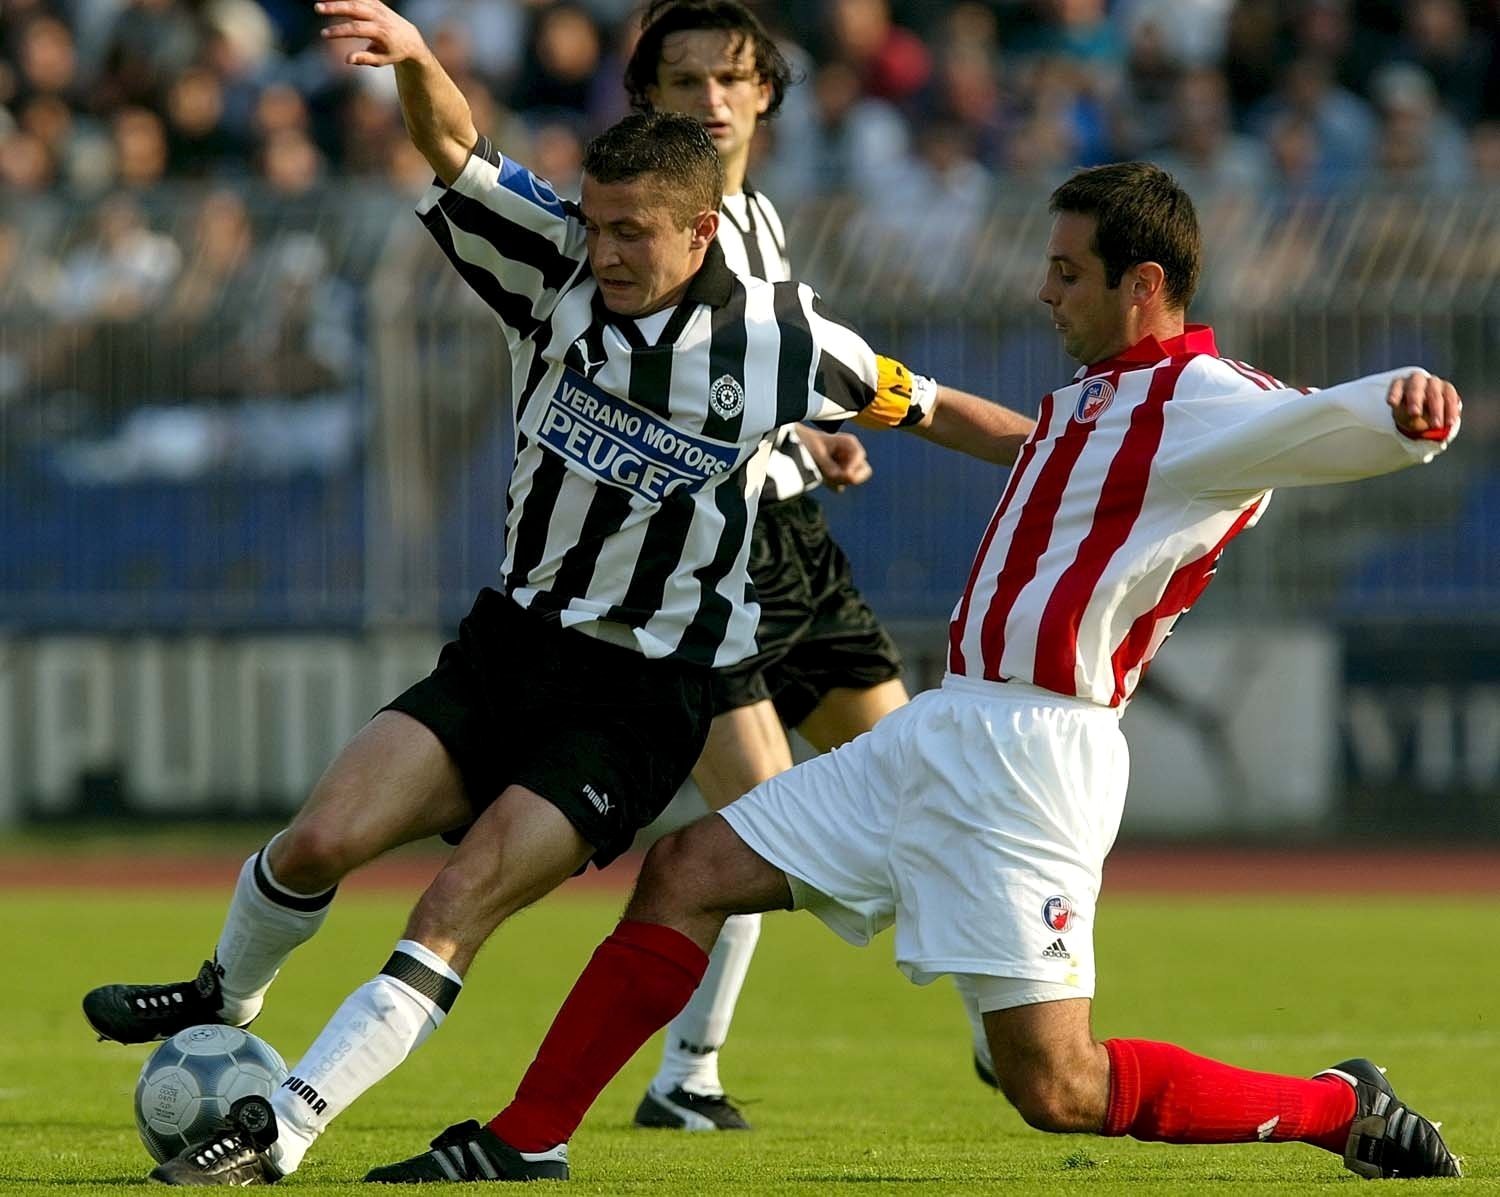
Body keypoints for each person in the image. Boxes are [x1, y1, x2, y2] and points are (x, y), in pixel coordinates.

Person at [80, 0, 1035, 1186]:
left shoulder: (785, 337)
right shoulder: (555, 259)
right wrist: (420, 58)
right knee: (318, 839)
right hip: (511, 646)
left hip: (641, 699)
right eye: (597, 225)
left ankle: (283, 1130)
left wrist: (1085, 449)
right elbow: (455, 152)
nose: (607, 251)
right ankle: (227, 989)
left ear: (701, 235)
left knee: (455, 901)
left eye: (633, 232)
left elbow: (943, 411)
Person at [362, 161, 1465, 1184]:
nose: (1044, 292)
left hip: (1035, 759)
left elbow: (1322, 424)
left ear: (1145, 284)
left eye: (1067, 272)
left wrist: (1403, 403)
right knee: (687, 872)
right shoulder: (1091, 392)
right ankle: (523, 1142)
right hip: (943, 731)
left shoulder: (1206, 399)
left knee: (1056, 1086)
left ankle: (1337, 1109)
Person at [619, 0, 997, 1132]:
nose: (714, 101)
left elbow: (756, 380)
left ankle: (1002, 1024)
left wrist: (808, 436)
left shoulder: (765, 220)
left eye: (734, 79)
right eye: (686, 84)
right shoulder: (647, 229)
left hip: (799, 551)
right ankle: (686, 1072)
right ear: (650, 101)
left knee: (929, 790)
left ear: (770, 96)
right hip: (714, 563)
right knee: (764, 829)